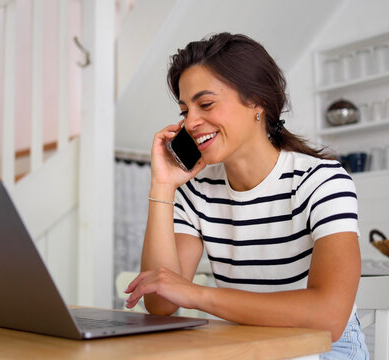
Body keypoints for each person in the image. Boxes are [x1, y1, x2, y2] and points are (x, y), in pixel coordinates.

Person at [124, 32, 368, 359]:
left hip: (322, 347)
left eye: (205, 104)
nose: (191, 122)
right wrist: (163, 186)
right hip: (244, 346)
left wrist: (197, 295)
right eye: (185, 111)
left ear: (256, 101)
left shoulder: (321, 180)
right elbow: (161, 302)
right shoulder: (198, 190)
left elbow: (329, 315)